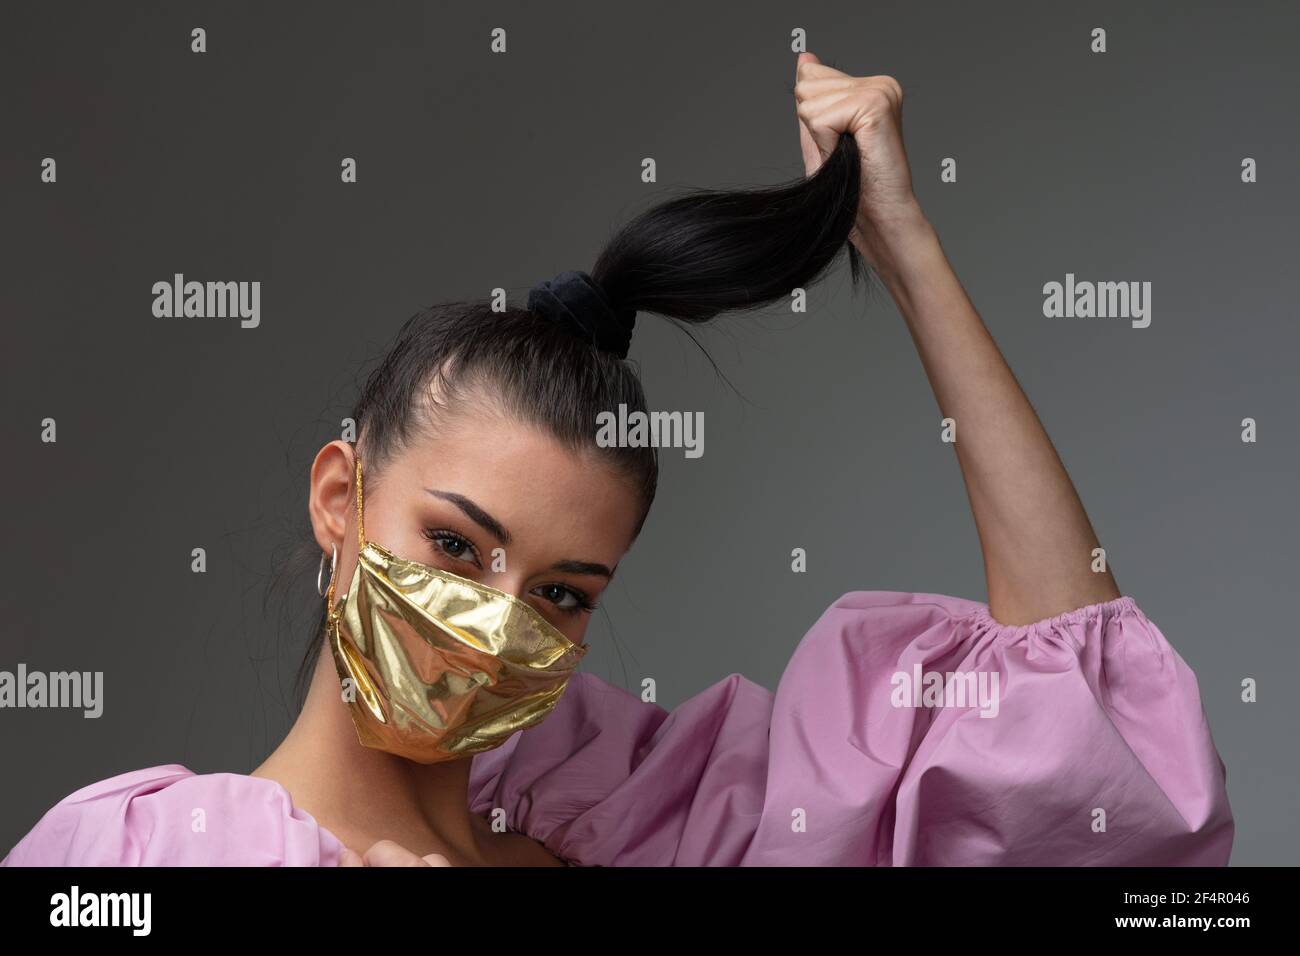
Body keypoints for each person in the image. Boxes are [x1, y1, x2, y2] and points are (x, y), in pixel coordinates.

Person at [2, 52, 1232, 868]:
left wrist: (899, 244)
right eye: (452, 543)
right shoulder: (141, 861)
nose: (491, 628)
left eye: (561, 593)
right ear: (340, 496)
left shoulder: (638, 831)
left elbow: (1083, 753)